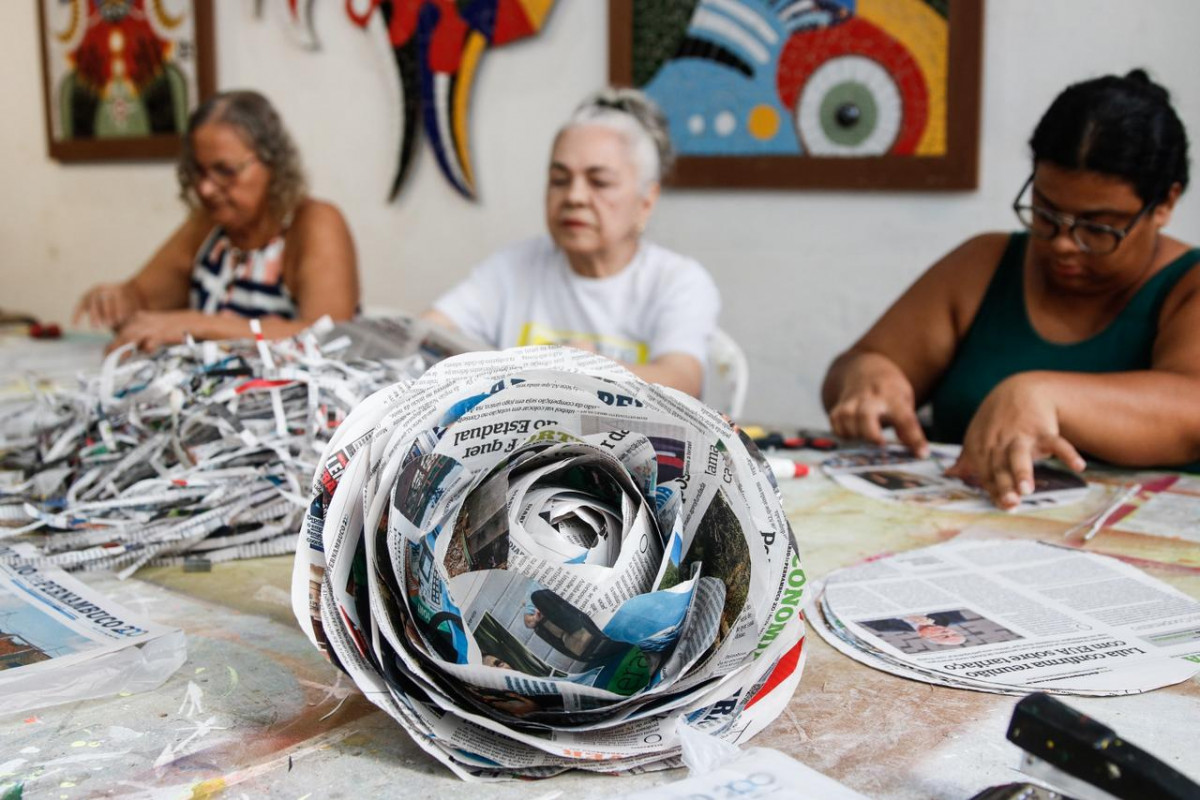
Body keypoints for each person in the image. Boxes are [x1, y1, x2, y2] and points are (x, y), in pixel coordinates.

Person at [822, 69, 1199, 510]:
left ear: (1165, 203)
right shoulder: (983, 264)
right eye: (1046, 213)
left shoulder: (1187, 285)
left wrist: (1043, 395)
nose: (1063, 243)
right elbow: (852, 368)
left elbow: (1191, 411)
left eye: (1098, 228)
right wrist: (866, 377)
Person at [423, 88, 720, 398]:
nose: (574, 197)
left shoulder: (677, 281)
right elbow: (427, 332)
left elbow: (684, 381)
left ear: (647, 200)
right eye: (559, 180)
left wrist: (587, 369)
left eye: (599, 182)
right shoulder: (512, 268)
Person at [73, 90, 359, 352]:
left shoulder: (314, 224)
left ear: (272, 162)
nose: (206, 189)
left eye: (225, 170)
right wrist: (116, 299)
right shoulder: (210, 227)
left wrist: (197, 324)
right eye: (199, 171)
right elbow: (143, 300)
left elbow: (329, 337)